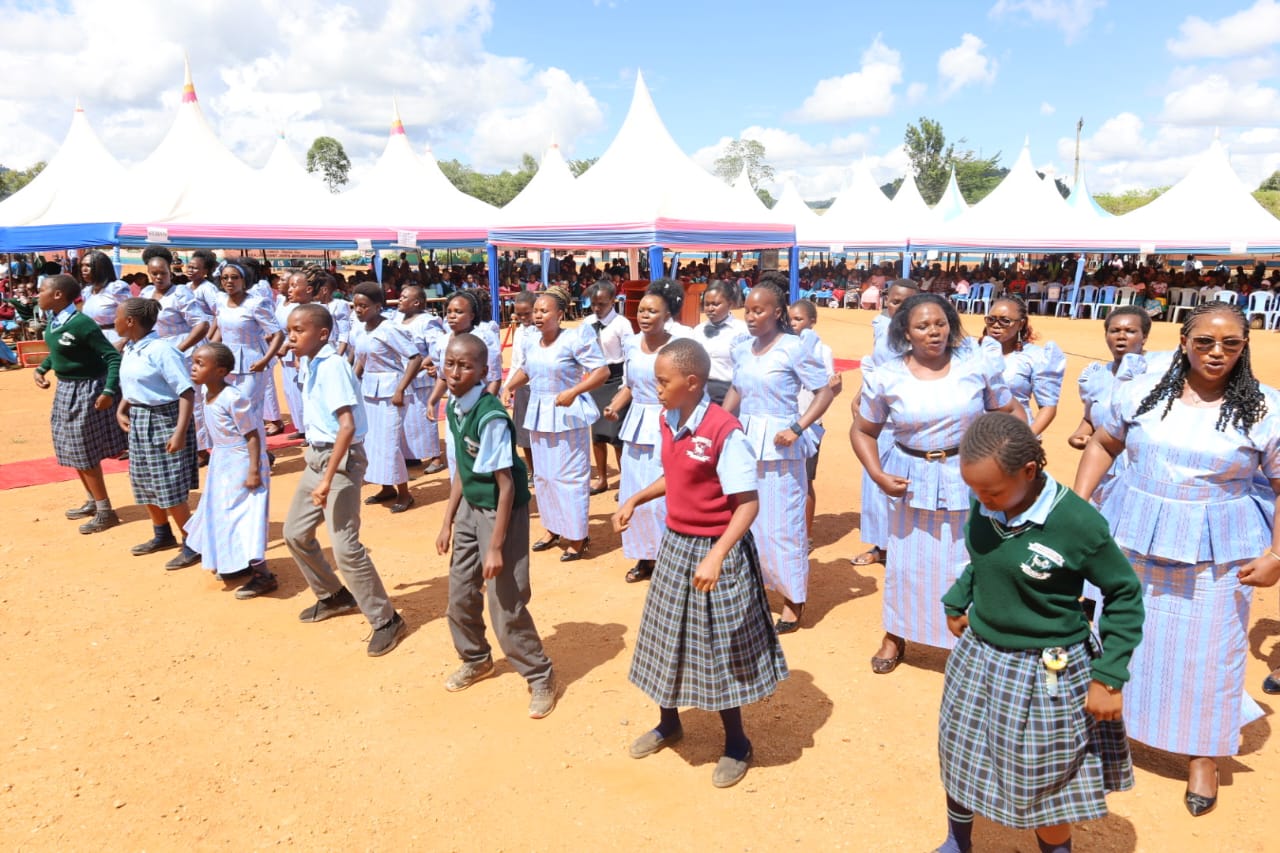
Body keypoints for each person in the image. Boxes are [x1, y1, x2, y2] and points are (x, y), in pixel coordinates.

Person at [1074, 301, 1280, 815]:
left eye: (1231, 344)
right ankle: (1109, 738)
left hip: (1218, 546)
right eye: (1205, 342)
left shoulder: (1264, 408)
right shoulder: (1141, 389)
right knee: (1123, 638)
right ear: (1184, 340)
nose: (1217, 353)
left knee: (1211, 652)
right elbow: (1103, 442)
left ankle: (1204, 757)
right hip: (1132, 531)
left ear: (1244, 348)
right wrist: (1077, 507)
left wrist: (1277, 553)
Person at [937, 413, 1143, 853]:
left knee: (1045, 777)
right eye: (974, 489)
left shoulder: (1077, 524)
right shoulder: (987, 500)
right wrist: (958, 599)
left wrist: (1109, 676)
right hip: (980, 655)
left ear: (1029, 471)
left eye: (991, 490)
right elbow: (982, 558)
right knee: (960, 753)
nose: (981, 500)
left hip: (1046, 668)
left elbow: (1124, 594)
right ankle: (958, 841)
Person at [614, 337, 787, 788]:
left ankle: (736, 742)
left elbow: (747, 504)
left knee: (718, 649)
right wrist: (635, 497)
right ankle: (669, 722)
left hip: (717, 550)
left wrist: (715, 555)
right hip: (676, 544)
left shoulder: (724, 432)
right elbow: (674, 477)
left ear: (692, 383)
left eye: (663, 381)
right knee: (665, 637)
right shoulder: (669, 418)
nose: (656, 388)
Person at [851, 293, 1016, 673]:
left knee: (970, 561)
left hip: (970, 475)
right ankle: (896, 634)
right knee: (908, 565)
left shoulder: (975, 364)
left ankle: (973, 641)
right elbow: (863, 430)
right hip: (912, 480)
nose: (934, 332)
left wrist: (1011, 460)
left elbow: (1008, 411)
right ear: (906, 333)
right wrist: (877, 473)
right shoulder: (887, 374)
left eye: (940, 323)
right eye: (923, 326)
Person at [435, 333, 557, 719]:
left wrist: (494, 546)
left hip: (501, 511)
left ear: (483, 371)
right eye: (450, 364)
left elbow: (505, 486)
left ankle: (540, 675)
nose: (455, 373)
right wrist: (447, 520)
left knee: (505, 598)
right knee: (459, 592)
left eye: (465, 366)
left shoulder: (490, 417)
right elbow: (463, 471)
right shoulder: (455, 406)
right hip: (472, 505)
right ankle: (476, 657)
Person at [282, 303, 406, 657]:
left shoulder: (333, 366)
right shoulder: (311, 361)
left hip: (341, 460)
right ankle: (333, 595)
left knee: (345, 545)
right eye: (290, 330)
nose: (292, 336)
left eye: (299, 330)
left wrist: (327, 480)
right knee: (295, 532)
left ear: (322, 334)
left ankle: (386, 620)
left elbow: (347, 427)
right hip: (318, 457)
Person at [722, 278, 833, 632]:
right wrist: (722, 427)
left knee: (782, 524)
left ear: (778, 312)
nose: (751, 317)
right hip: (747, 444)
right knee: (748, 523)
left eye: (759, 310)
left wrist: (799, 427)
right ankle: (755, 590)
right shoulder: (741, 349)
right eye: (748, 310)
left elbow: (824, 392)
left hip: (783, 446)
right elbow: (736, 391)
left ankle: (792, 600)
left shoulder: (794, 348)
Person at [501, 286, 609, 562]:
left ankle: (577, 535)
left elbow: (601, 371)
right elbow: (526, 369)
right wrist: (508, 387)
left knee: (569, 476)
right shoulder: (531, 341)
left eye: (544, 310)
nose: (538, 315)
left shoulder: (574, 339)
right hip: (539, 413)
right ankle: (552, 528)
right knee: (545, 476)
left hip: (568, 415)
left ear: (560, 314)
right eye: (536, 310)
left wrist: (574, 391)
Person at [603, 279, 686, 583]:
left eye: (653, 311)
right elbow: (629, 385)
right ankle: (644, 556)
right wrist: (615, 405)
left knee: (665, 496)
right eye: (641, 310)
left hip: (667, 423)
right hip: (636, 425)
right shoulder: (630, 345)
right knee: (634, 490)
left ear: (667, 317)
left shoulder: (677, 348)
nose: (645, 316)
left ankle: (669, 559)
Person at [33, 274, 128, 534]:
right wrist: (41, 369)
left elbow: (112, 357)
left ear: (57, 296)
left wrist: (109, 390)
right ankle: (93, 501)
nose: (36, 294)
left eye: (41, 290)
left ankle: (105, 511)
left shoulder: (83, 324)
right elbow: (58, 353)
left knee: (84, 451)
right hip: (66, 389)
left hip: (87, 391)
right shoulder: (54, 320)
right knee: (72, 447)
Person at [184, 342, 277, 599]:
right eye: (193, 362)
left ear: (221, 371)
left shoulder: (234, 398)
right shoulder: (205, 393)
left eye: (201, 364)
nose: (193, 367)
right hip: (222, 461)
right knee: (222, 513)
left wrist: (253, 471)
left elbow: (252, 436)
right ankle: (235, 562)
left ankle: (263, 575)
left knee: (245, 516)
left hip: (242, 460)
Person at [114, 297, 202, 568]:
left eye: (117, 316)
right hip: (140, 418)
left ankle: (193, 543)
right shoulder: (131, 348)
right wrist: (121, 409)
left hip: (164, 419)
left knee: (169, 486)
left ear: (130, 321)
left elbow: (186, 392)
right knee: (144, 481)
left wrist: (179, 431)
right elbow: (132, 384)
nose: (113, 321)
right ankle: (162, 534)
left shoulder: (162, 350)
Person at [851, 279, 917, 567]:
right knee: (876, 480)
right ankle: (881, 545)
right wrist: (860, 394)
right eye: (893, 301)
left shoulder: (920, 334)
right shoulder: (881, 327)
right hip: (878, 415)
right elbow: (876, 369)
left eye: (905, 303)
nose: (897, 307)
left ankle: (907, 543)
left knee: (906, 480)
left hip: (906, 415)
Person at [1066, 306, 1150, 503]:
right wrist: (1079, 436)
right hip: (1102, 475)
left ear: (1144, 337)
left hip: (1140, 476)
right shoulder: (1095, 377)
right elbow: (1089, 417)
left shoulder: (1156, 378)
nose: (1121, 336)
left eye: (1130, 331)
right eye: (1114, 331)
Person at [350, 282, 421, 513]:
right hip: (369, 390)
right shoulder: (361, 330)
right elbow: (361, 359)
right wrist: (352, 382)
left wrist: (401, 388)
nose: (358, 310)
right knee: (373, 443)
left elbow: (414, 357)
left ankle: (404, 493)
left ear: (378, 306)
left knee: (390, 444)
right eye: (355, 306)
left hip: (392, 391)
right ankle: (386, 487)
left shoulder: (389, 329)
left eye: (364, 306)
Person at [426, 290, 503, 479]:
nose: (452, 316)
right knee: (455, 454)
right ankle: (461, 502)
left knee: (481, 455)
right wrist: (433, 400)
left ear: (472, 315)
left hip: (480, 405)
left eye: (458, 312)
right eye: (449, 311)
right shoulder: (443, 342)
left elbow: (494, 378)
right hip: (456, 406)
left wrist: (484, 408)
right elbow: (444, 377)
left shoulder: (484, 339)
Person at [787, 298, 843, 548]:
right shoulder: (784, 345)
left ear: (812, 321)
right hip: (785, 419)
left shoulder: (822, 350)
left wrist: (835, 387)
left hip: (809, 424)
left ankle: (806, 536)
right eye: (790, 319)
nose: (794, 324)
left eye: (799, 319)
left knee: (805, 480)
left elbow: (830, 389)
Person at [209, 260, 285, 425]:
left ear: (244, 281)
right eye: (225, 278)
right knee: (229, 408)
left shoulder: (256, 303)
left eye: (234, 277)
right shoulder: (221, 301)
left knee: (249, 409)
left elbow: (278, 334)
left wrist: (264, 360)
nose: (229, 281)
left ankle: (258, 450)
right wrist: (209, 352)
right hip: (227, 362)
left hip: (253, 362)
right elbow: (221, 330)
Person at [980, 295, 1066, 436]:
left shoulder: (1036, 357)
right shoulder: (974, 353)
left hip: (1016, 435)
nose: (996, 325)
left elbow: (1048, 407)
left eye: (1005, 321)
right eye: (991, 319)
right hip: (977, 439)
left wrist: (1026, 439)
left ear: (1021, 324)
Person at [583, 278, 633, 495]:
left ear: (613, 300)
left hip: (616, 379)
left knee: (616, 434)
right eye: (594, 303)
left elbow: (629, 355)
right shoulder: (587, 323)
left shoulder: (622, 324)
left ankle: (625, 482)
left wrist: (625, 386)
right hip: (595, 379)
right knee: (597, 434)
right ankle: (602, 479)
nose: (597, 308)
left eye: (602, 304)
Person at [394, 284, 446, 473]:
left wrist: (420, 366)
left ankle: (436, 458)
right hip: (401, 376)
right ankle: (411, 455)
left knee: (425, 417)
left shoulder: (428, 322)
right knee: (406, 419)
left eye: (404, 297)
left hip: (421, 378)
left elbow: (436, 348)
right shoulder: (396, 319)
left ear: (416, 302)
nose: (399, 299)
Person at [501, 291, 539, 476]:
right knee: (524, 434)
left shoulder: (545, 330)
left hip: (542, 388)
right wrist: (507, 388)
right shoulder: (519, 333)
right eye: (519, 314)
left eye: (527, 313)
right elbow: (516, 363)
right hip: (524, 388)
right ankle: (533, 470)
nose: (523, 318)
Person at [693, 280, 748, 405]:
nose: (710, 309)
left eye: (716, 304)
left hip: (730, 394)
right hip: (701, 394)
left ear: (729, 303)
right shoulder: (697, 331)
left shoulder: (742, 331)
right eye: (707, 304)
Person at [274, 271, 314, 440]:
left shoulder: (311, 311)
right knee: (291, 392)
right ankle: (301, 426)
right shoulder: (281, 302)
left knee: (305, 393)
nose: (290, 289)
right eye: (288, 285)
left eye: (294, 285)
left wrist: (287, 348)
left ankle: (310, 430)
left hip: (304, 355)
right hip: (292, 355)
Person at [78, 250, 131, 348]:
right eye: (82, 265)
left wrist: (123, 341)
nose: (83, 269)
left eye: (88, 266)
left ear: (101, 268)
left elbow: (133, 316)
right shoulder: (87, 291)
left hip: (114, 340)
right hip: (92, 340)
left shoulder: (116, 288)